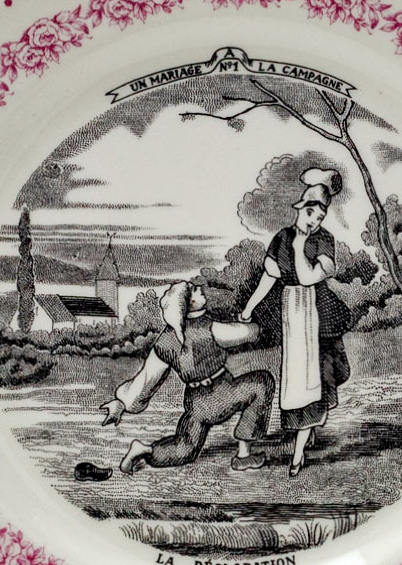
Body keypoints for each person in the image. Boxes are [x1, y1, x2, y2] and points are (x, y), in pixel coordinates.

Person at [240, 167, 352, 476]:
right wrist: (249, 307)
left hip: (320, 318)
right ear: (300, 208)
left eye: (321, 216)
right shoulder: (282, 238)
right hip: (293, 314)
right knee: (298, 381)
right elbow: (269, 278)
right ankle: (301, 445)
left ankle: (303, 443)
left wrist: (301, 248)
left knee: (325, 375)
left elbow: (307, 277)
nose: (315, 221)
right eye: (311, 213)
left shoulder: (324, 240)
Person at [101, 281, 275, 473]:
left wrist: (121, 404)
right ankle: (244, 455)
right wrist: (249, 321)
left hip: (196, 405)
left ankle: (146, 450)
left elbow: (146, 380)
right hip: (222, 394)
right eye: (194, 289)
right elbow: (250, 333)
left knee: (185, 448)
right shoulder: (208, 328)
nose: (200, 288)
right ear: (189, 304)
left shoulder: (165, 341)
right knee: (262, 382)